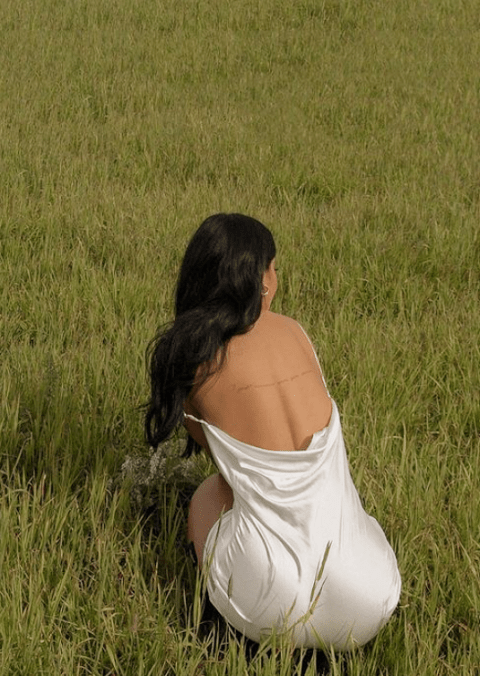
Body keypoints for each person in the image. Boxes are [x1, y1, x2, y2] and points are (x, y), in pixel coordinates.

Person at [144, 213, 401, 649]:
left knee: (210, 494)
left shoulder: (191, 358)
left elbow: (231, 473)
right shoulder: (296, 333)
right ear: (261, 280)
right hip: (369, 595)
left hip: (271, 604)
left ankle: (219, 624)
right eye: (275, 267)